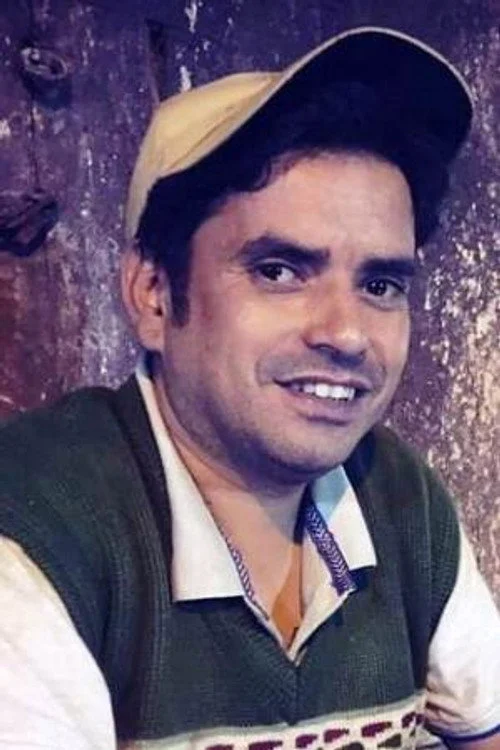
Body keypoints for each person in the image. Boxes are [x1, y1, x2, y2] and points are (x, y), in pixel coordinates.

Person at [0, 25, 499, 750]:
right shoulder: (41, 529)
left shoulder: (395, 497)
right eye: (280, 271)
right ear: (153, 294)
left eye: (381, 284)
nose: (347, 333)